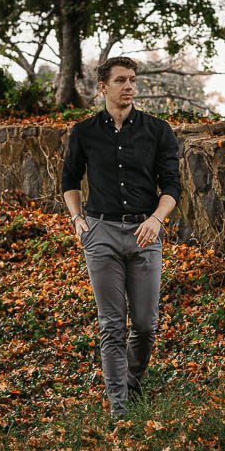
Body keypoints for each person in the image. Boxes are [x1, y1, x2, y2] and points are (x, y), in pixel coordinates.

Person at [61, 56, 181, 418]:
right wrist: (78, 219)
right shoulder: (84, 132)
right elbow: (69, 180)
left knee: (145, 325)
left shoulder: (158, 131)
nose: (129, 86)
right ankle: (119, 407)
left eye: (132, 80)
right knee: (112, 324)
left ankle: (130, 381)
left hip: (146, 234)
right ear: (103, 87)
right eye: (121, 81)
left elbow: (173, 184)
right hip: (101, 234)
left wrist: (158, 219)